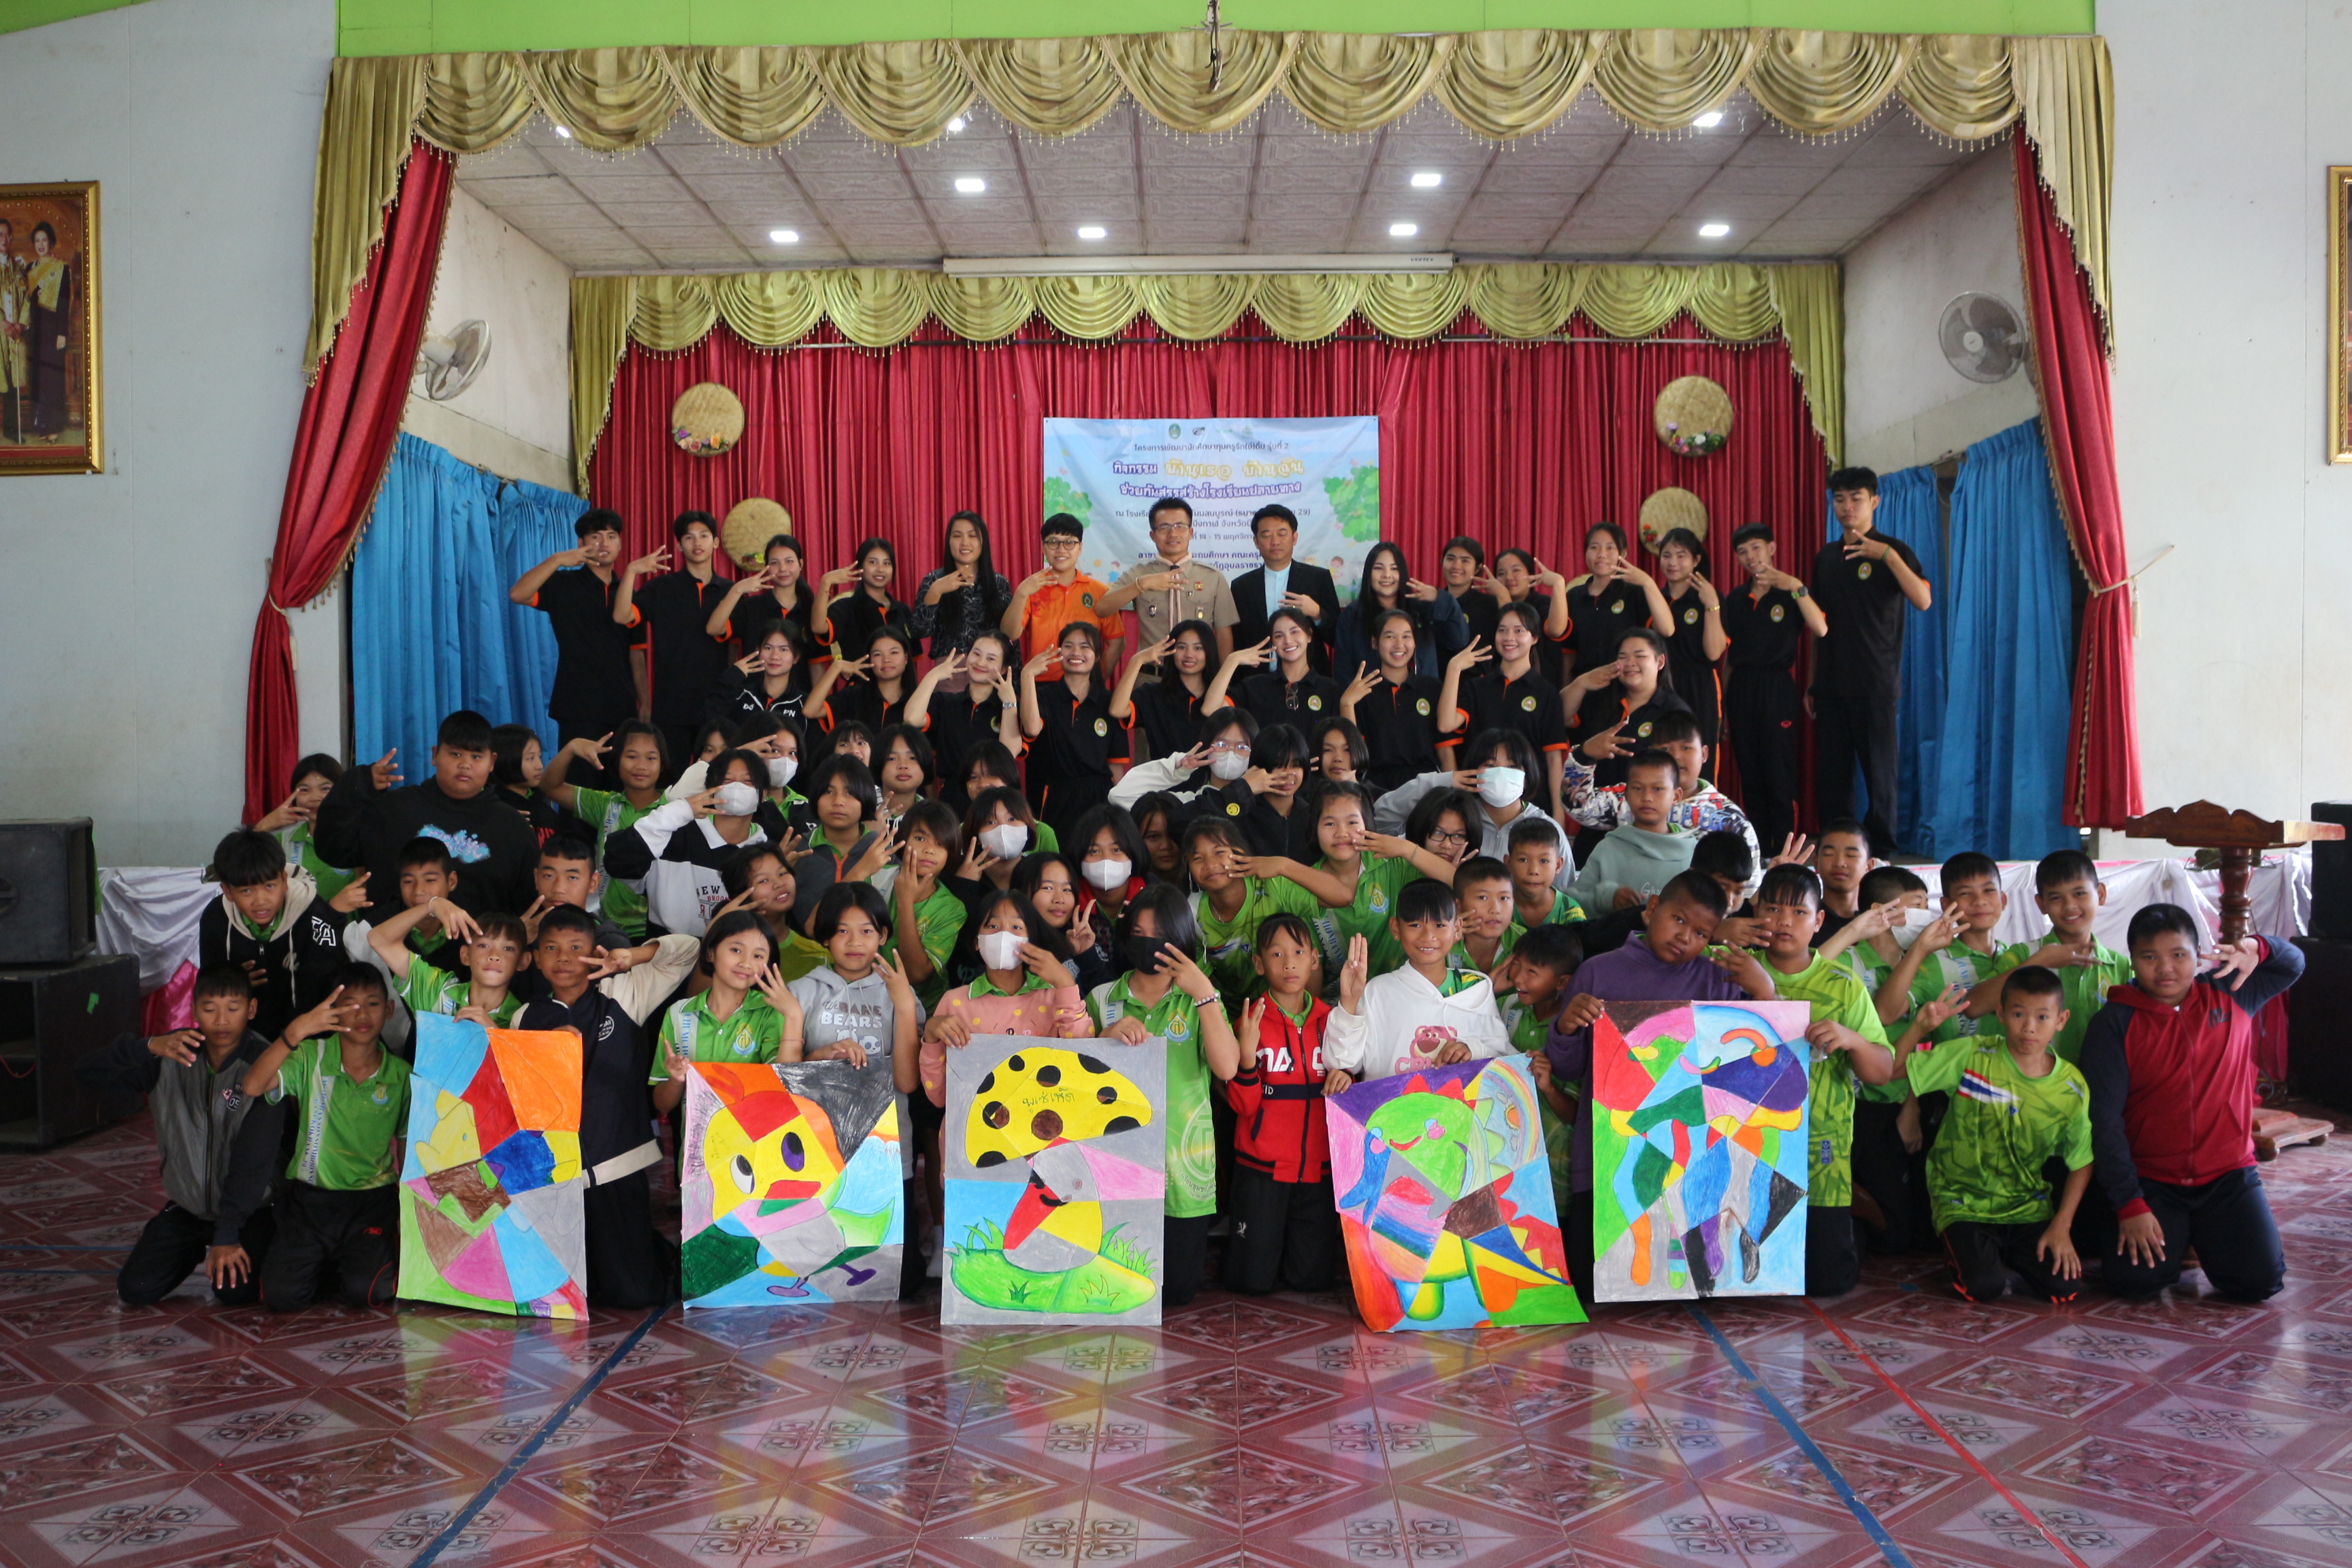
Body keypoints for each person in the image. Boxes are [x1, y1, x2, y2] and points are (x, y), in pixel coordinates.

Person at [1544, 871, 1778, 1298]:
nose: (1686, 937)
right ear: (1652, 909)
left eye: (1702, 933)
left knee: (1694, 1282)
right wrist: (1566, 1026)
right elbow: (1568, 1068)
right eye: (1678, 920)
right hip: (1607, 1155)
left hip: (1694, 1156)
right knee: (1592, 1282)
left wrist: (1766, 993)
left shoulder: (1718, 980)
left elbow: (1753, 1067)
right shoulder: (1597, 972)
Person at [2081, 906, 2303, 1303]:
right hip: (2153, 1179)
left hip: (2229, 1175)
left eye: (2178, 955)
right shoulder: (2113, 1022)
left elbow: (2293, 964)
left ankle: (2200, 1236)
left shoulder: (2231, 991)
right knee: (2134, 1283)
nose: (2165, 969)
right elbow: (2104, 1120)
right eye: (2150, 957)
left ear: (2199, 954)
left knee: (2259, 1283)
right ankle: (2180, 1235)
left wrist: (2256, 947)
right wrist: (2130, 1204)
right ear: (2132, 960)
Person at [514, 906, 703, 1308]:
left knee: (633, 1294)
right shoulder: (524, 1017)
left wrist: (631, 957)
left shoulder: (622, 993)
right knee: (578, 1290)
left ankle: (655, 1252)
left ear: (594, 952)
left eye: (576, 947)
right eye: (552, 948)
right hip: (557, 1173)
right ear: (536, 958)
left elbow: (689, 950)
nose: (564, 958)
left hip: (619, 1162)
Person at [81, 965, 283, 1307]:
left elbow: (253, 1162)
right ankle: (188, 1245)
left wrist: (228, 1234)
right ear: (193, 1010)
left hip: (251, 1210)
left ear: (251, 1009)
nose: (221, 1020)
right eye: (210, 1009)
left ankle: (254, 1242)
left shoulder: (263, 1065)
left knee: (234, 1292)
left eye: (232, 1008)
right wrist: (148, 1047)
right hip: (188, 1207)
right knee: (136, 1289)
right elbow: (87, 1072)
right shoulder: (171, 1055)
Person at [1899, 966, 2095, 1303]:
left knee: (2064, 1288)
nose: (2029, 1027)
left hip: (2026, 1206)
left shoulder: (2072, 1086)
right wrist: (1919, 1028)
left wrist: (2061, 1226)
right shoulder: (1973, 1055)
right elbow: (1891, 1069)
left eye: (2042, 1017)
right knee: (1983, 1287)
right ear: (2001, 1013)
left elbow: (2082, 1161)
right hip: (1963, 1201)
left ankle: (2006, 1253)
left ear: (2061, 1020)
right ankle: (1977, 1253)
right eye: (2019, 1014)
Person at [1086, 884, 1241, 1307]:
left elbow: (1227, 1068)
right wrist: (1104, 1037)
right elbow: (1075, 1078)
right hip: (1117, 1159)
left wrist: (1203, 992)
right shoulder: (1103, 998)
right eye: (1139, 933)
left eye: (1160, 935)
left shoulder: (1199, 1000)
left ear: (1181, 939)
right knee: (1116, 1285)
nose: (1149, 943)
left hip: (1183, 1165)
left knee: (1177, 1291)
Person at [1748, 864, 1899, 1296]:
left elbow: (1882, 1071)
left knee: (1826, 1281)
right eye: (1773, 909)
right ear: (1756, 913)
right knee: (1747, 1276)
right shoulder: (1734, 969)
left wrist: (1852, 1039)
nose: (1783, 921)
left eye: (1798, 912)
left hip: (1821, 1144)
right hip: (1746, 1141)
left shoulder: (1843, 985)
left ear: (1818, 922)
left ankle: (1852, 1219)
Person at [242, 968, 408, 1311]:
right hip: (310, 1200)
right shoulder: (310, 1056)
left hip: (371, 1202)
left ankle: (345, 1260)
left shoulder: (401, 1075)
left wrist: (408, 1210)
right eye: (350, 1005)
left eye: (373, 1003)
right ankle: (331, 1261)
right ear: (332, 1013)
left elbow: (406, 1145)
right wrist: (294, 1032)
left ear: (389, 1010)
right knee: (282, 1297)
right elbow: (253, 1086)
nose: (362, 1015)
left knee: (368, 1293)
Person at [314, 709, 543, 924]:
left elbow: (530, 904)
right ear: (435, 755)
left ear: (492, 762)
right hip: (391, 947)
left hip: (478, 951)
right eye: (455, 754)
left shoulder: (512, 827)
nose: (465, 765)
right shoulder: (393, 809)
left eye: (476, 756)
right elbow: (333, 850)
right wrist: (358, 785)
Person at [1811, 468, 1933, 852]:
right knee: (1833, 777)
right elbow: (1818, 626)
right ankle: (1836, 849)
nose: (1847, 507)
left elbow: (1923, 600)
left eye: (1856, 498)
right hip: (1831, 684)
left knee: (1880, 775)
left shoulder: (1893, 550)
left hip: (1875, 682)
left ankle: (1879, 854)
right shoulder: (1826, 557)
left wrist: (1888, 557)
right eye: (1839, 499)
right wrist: (1813, 682)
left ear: (1874, 501)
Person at [1222, 913, 1343, 1296]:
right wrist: (1246, 1057)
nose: (1289, 963)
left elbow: (1352, 1096)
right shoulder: (1249, 1022)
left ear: (1314, 959)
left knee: (1312, 1280)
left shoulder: (1334, 1023)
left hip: (1319, 1169)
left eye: (1298, 952)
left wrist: (1346, 1078)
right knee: (1251, 1282)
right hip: (1262, 1171)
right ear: (1259, 963)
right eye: (1276, 954)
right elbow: (1243, 1106)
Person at [1324, 877, 1514, 1081]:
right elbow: (1343, 1063)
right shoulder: (1378, 991)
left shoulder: (1476, 988)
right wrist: (1349, 1003)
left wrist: (1472, 1049)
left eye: (1439, 925)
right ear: (1396, 928)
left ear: (1457, 929)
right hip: (1394, 1102)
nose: (1428, 936)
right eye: (1415, 925)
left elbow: (1505, 1060)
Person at [508, 509, 642, 788]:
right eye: (595, 537)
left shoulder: (628, 590)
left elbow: (636, 652)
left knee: (619, 790)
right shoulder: (564, 584)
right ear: (581, 543)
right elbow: (518, 594)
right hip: (577, 705)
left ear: (620, 544)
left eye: (611, 536)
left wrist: (646, 703)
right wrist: (557, 560)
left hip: (622, 705)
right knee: (577, 789)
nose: (604, 544)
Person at [921, 887, 1095, 1101]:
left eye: (1016, 927)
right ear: (977, 941)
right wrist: (931, 1034)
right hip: (976, 1122)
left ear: (1031, 940)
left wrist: (1065, 983)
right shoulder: (955, 1002)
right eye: (993, 926)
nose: (1004, 935)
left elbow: (1084, 1063)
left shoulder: (1053, 996)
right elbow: (939, 1096)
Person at [1560, 710, 1763, 888]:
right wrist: (1583, 756)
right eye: (1665, 750)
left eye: (1686, 748)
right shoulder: (1630, 796)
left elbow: (1748, 886)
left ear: (1704, 753)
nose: (1676, 756)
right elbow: (1579, 806)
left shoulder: (1729, 818)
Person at [199, 827, 363, 1046]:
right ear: (227, 891)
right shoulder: (216, 917)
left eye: (270, 886)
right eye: (246, 891)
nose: (260, 901)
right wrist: (231, 983)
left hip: (308, 1041)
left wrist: (331, 917)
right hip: (244, 1041)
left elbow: (332, 977)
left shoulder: (312, 910)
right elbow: (207, 983)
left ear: (284, 881)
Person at [1720, 523, 1825, 855]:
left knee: (1778, 774)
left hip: (1777, 687)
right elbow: (1730, 657)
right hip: (1742, 689)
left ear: (1772, 548)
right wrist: (1723, 707)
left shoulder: (1791, 593)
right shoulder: (1736, 598)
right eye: (1742, 552)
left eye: (1756, 548)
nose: (1750, 556)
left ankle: (1785, 852)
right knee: (1751, 776)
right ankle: (1761, 853)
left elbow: (1820, 627)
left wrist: (1795, 586)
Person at [1975, 849, 2134, 1065]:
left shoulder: (2121, 966)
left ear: (2101, 894)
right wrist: (2038, 963)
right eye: (2056, 897)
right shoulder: (2024, 954)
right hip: (2031, 1082)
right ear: (2041, 904)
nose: (2069, 906)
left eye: (2079, 893)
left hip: (2098, 1082)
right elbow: (1974, 1007)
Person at [1373, 729, 1578, 891]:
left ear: (1527, 775)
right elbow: (1381, 820)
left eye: (1512, 767)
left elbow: (1565, 893)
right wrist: (1443, 780)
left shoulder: (1546, 829)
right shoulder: (1455, 817)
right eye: (1490, 765)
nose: (1501, 773)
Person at [612, 510, 742, 764]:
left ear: (716, 542)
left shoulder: (732, 591)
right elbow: (621, 616)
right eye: (689, 537)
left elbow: (734, 651)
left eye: (704, 536)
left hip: (717, 703)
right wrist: (631, 571)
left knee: (716, 776)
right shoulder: (660, 588)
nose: (697, 543)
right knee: (673, 778)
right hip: (671, 705)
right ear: (680, 545)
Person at [603, 747, 774, 937]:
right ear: (710, 790)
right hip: (665, 952)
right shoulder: (672, 836)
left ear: (764, 794)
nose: (736, 787)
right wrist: (679, 811)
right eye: (727, 780)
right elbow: (617, 860)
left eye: (748, 781)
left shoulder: (768, 852)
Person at [1182, 816, 1350, 1010]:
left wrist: (1282, 865)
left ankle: (1305, 1019)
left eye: (1219, 852)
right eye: (1198, 858)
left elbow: (1343, 896)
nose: (1210, 864)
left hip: (1287, 1004)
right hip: (1232, 1011)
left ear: (1240, 852)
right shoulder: (1192, 913)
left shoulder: (1271, 886)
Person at [648, 911, 803, 1114]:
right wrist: (676, 1080)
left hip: (753, 1133)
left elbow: (786, 1092)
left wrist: (794, 1015)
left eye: (758, 956)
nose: (746, 963)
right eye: (736, 950)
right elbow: (662, 1105)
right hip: (697, 1135)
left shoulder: (770, 1012)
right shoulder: (679, 1013)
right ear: (711, 953)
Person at [540, 721, 668, 942]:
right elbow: (549, 787)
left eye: (651, 758)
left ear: (662, 764)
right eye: (632, 756)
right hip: (610, 929)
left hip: (658, 931)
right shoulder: (605, 804)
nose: (641, 766)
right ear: (617, 761)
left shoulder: (674, 807)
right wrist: (571, 748)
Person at [1440, 602, 1569, 815]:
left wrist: (1558, 812)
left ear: (1534, 638)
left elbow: (1554, 760)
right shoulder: (1476, 687)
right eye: (1502, 630)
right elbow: (1445, 724)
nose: (1509, 638)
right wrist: (1454, 669)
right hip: (1479, 801)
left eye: (1519, 631)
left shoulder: (1547, 693)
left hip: (1531, 801)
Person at [1492, 921, 1583, 1219]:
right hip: (1502, 1154)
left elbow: (1574, 1115)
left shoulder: (1574, 1029)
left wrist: (1549, 1088)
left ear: (1562, 983)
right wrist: (1488, 991)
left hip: (1553, 1165)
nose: (1518, 977)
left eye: (1532, 972)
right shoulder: (1506, 1007)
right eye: (1517, 965)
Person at [1874, 853, 2010, 1049]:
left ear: (2003, 900)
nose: (1980, 901)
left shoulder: (2014, 957)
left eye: (1989, 890)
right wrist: (1919, 949)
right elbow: (1884, 1014)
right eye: (1966, 893)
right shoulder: (1933, 961)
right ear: (1946, 905)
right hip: (1952, 1069)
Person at [1020, 621, 1128, 837]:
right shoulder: (1043, 696)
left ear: (1097, 656)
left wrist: (1121, 813)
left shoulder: (1109, 702)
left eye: (1085, 646)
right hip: (1052, 796)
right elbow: (1032, 729)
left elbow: (1115, 766)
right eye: (1068, 646)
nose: (1076, 652)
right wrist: (1027, 676)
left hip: (1098, 799)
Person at [1097, 496, 1239, 658]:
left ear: (1191, 532)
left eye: (1180, 526)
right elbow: (1102, 609)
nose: (1173, 534)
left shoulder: (1212, 577)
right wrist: (1140, 585)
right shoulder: (1139, 573)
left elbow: (1224, 634)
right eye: (1164, 528)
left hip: (1199, 672)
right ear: (1153, 535)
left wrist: (1225, 673)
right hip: (1153, 671)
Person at [1568, 751, 1697, 914]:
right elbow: (1572, 903)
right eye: (1638, 788)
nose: (1647, 797)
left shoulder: (1693, 852)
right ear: (1627, 794)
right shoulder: (1608, 848)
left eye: (1658, 789)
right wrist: (1607, 899)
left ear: (1676, 796)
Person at [1564, 627, 1693, 791]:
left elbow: (1682, 769)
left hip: (1646, 801)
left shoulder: (1674, 712)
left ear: (1660, 662)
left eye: (1640, 656)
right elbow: (1560, 718)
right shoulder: (1601, 699)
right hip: (1596, 800)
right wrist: (1581, 683)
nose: (1630, 663)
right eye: (1623, 657)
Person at [369, 901, 532, 1029]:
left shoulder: (524, 1018)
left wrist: (492, 1031)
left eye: (508, 949)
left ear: (523, 961)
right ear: (465, 955)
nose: (494, 956)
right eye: (483, 945)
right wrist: (432, 905)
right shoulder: (438, 990)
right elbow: (378, 939)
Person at [1340, 608, 1447, 791]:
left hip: (1427, 786)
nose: (1399, 645)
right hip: (1377, 787)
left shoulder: (1433, 688)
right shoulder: (1362, 692)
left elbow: (1445, 750)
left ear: (1415, 642)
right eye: (1390, 636)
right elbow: (1354, 755)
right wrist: (1347, 704)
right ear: (1375, 643)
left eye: (1406, 636)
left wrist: (1452, 792)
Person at [906, 633, 1024, 794]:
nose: (980, 663)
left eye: (991, 659)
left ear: (1004, 668)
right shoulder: (945, 702)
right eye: (976, 654)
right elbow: (911, 719)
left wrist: (1009, 703)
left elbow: (1008, 753)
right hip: (953, 795)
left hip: (994, 795)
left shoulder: (1009, 708)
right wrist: (933, 676)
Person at [1333, 543, 1467, 683]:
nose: (1387, 575)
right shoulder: (1353, 616)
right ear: (1368, 573)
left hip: (1422, 694)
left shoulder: (1421, 610)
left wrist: (1441, 598)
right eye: (1379, 568)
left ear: (1402, 573)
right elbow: (1343, 670)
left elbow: (1458, 640)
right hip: (1370, 695)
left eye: (1394, 568)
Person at [879, 800, 968, 1012]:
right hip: (868, 1003)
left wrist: (905, 902)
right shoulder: (877, 878)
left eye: (940, 843)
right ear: (903, 839)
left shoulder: (952, 908)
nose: (929, 850)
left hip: (921, 1013)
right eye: (920, 838)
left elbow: (915, 974)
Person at [1208, 606, 1341, 738]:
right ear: (1272, 643)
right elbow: (1210, 709)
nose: (1288, 641)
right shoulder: (1254, 687)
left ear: (1309, 635)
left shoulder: (1330, 690)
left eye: (1294, 632)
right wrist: (1233, 660)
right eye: (1279, 636)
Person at [1005, 512, 1119, 666]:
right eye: (1053, 542)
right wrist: (1021, 594)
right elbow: (1010, 634)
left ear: (1080, 548)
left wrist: (1098, 677)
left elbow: (1117, 643)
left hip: (1084, 679)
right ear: (1043, 547)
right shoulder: (1031, 589)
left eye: (1069, 542)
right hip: (1040, 678)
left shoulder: (1099, 592)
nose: (1061, 549)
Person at [1563, 523, 1672, 679]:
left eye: (1610, 548)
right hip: (1585, 684)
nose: (1602, 554)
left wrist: (1648, 583)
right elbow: (1569, 653)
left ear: (1623, 554)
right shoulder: (1573, 596)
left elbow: (1667, 630)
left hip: (1627, 682)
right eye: (1594, 548)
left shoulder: (1635, 592)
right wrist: (1568, 689)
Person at [1230, 504, 1340, 656]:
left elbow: (1338, 637)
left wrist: (1317, 614)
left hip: (1308, 670)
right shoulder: (1241, 586)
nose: (1275, 541)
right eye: (1266, 535)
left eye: (1282, 534)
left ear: (1294, 538)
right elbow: (1236, 640)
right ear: (1256, 542)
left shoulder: (1318, 578)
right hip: (1256, 670)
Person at [1652, 528, 1726, 749]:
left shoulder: (1710, 598)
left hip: (1700, 686)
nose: (1672, 562)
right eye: (1666, 555)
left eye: (1681, 555)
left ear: (1696, 561)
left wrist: (1712, 605)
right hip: (1662, 685)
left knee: (1699, 755)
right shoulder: (1656, 599)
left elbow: (1714, 653)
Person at [909, 510, 1015, 660]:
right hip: (949, 667)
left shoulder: (999, 583)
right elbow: (919, 631)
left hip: (989, 666)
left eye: (972, 536)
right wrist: (935, 592)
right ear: (948, 541)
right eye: (957, 536)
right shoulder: (934, 580)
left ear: (983, 541)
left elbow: (1009, 637)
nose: (965, 542)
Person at [1113, 620, 1215, 763]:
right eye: (1181, 647)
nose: (1189, 655)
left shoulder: (1219, 697)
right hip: (1164, 776)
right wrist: (1137, 660)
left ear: (1210, 651)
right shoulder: (1153, 694)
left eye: (1198, 648)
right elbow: (1117, 710)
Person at [707, 532, 817, 653]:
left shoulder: (811, 610)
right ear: (767, 567)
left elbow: (818, 662)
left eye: (789, 561)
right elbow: (714, 629)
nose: (782, 568)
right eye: (774, 563)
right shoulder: (750, 608)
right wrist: (737, 589)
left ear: (801, 564)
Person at [807, 623, 917, 742]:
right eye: (877, 654)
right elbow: (810, 711)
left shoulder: (917, 701)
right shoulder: (854, 696)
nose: (886, 660)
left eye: (894, 653)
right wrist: (836, 667)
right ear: (869, 660)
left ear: (906, 658)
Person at [1480, 550, 1575, 685]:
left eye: (1516, 570)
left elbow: (1556, 631)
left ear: (1531, 574)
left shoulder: (1542, 603)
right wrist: (1501, 597)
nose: (1509, 577)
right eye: (1501, 573)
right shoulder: (1489, 606)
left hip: (1540, 686)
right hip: (1499, 685)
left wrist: (1558, 584)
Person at [814, 537, 912, 660]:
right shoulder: (846, 607)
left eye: (887, 563)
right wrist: (825, 583)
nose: (881, 569)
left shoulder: (903, 610)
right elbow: (818, 627)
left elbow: (911, 660)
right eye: (873, 562)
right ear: (860, 567)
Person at [708, 620, 809, 728]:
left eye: (783, 650)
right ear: (758, 651)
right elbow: (712, 723)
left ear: (796, 657)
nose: (774, 656)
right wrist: (731, 677)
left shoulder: (805, 704)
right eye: (768, 648)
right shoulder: (741, 695)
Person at [25, 220, 74, 439]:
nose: (41, 244)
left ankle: (54, 427)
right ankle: (41, 426)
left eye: (44, 240)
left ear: (51, 242)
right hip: (36, 332)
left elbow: (63, 301)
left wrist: (62, 332)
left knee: (52, 378)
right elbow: (27, 304)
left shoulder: (61, 268)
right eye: (37, 240)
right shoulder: (30, 269)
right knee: (38, 378)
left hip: (54, 332)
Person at [491, 724, 567, 847]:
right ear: (506, 760)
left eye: (539, 757)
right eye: (530, 758)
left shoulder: (545, 810)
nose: (540, 766)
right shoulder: (492, 809)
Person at [1507, 815, 1584, 932]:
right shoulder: (1499, 909)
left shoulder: (1571, 913)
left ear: (1558, 865)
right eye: (1523, 860)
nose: (1534, 871)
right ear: (1508, 863)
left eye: (1544, 861)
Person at [1452, 856, 1522, 975]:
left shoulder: (1523, 943)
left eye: (1504, 898)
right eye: (1483, 898)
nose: (1495, 910)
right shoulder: (1440, 941)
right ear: (1458, 906)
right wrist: (1445, 941)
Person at [1810, 819, 1872, 947]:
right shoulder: (1806, 921)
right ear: (1816, 863)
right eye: (1829, 854)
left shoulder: (1877, 923)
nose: (1839, 863)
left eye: (1851, 855)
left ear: (1869, 866)